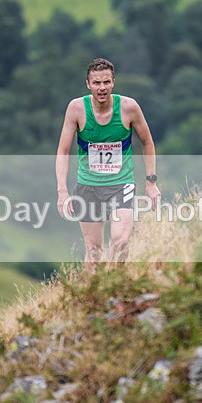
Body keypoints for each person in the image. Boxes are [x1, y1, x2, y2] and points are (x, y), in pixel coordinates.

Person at [56, 58, 160, 269]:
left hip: (121, 184)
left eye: (106, 82)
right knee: (93, 253)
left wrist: (151, 182)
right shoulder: (76, 109)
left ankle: (115, 291)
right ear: (88, 84)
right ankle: (90, 299)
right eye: (96, 83)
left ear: (113, 82)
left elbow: (147, 142)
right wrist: (62, 192)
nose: (101, 88)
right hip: (88, 186)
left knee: (120, 242)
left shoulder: (129, 108)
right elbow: (63, 151)